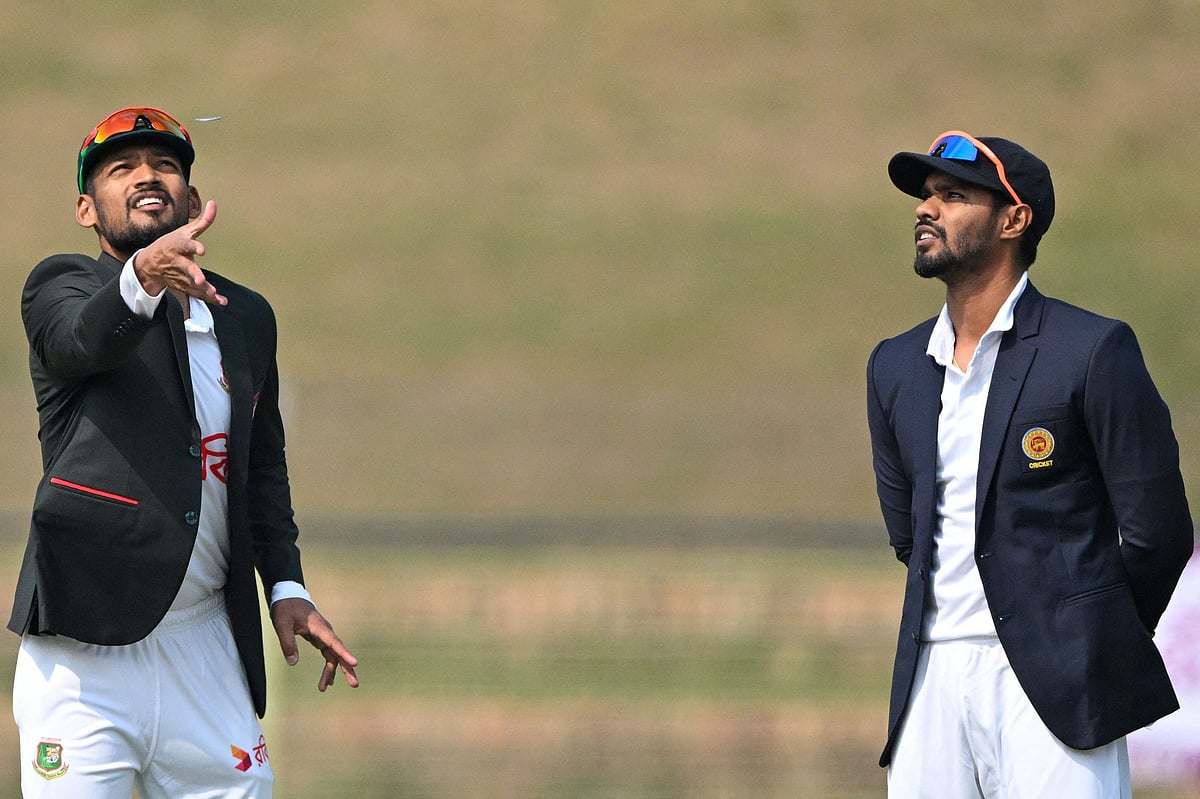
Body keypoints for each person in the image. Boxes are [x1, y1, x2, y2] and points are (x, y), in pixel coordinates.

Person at [9, 106, 360, 798]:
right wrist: (142, 276)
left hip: (205, 646)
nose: (146, 175)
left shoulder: (247, 316)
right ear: (86, 208)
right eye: (121, 169)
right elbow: (83, 341)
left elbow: (261, 468)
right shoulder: (60, 289)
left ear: (193, 200)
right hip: (85, 649)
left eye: (165, 165)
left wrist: (285, 584)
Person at [866, 130, 1193, 797]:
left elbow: (1160, 532)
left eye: (954, 195)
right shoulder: (894, 366)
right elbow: (910, 535)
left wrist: (1088, 639)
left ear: (1014, 219)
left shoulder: (1094, 350)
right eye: (927, 195)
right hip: (930, 680)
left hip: (1059, 687)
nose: (927, 209)